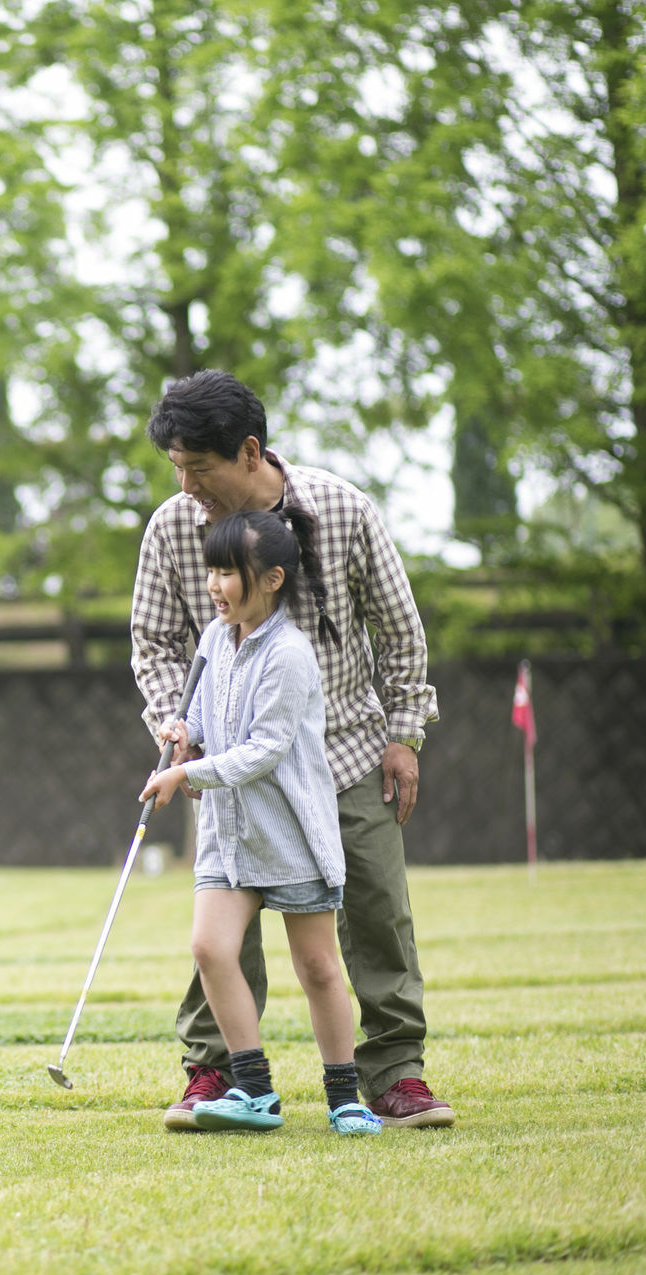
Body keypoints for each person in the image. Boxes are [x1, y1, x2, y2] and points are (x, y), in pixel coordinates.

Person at [130, 370, 452, 1131]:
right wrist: (179, 725)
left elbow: (399, 630)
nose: (186, 485)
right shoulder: (172, 527)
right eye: (176, 467)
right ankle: (216, 1071)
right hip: (230, 767)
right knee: (223, 928)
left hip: (344, 754)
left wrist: (404, 735)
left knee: (375, 914)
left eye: (198, 468)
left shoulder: (342, 508)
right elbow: (154, 642)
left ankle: (393, 1075)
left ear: (249, 451)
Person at [139, 508, 382, 1135]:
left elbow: (264, 749)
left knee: (318, 967)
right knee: (210, 948)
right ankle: (254, 1091)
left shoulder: (292, 653)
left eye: (229, 573)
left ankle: (344, 1095)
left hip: (290, 831)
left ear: (272, 578)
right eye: (212, 572)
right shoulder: (217, 640)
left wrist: (185, 775)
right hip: (228, 834)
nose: (215, 586)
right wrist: (182, 730)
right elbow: (206, 718)